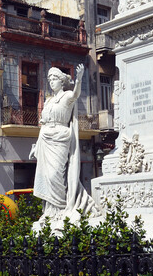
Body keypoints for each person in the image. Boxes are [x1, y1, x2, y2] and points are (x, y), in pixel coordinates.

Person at [30, 64, 101, 233]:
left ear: (62, 82)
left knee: (56, 174)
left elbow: (76, 94)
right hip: (46, 139)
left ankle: (61, 208)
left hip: (60, 137)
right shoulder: (48, 101)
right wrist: (36, 145)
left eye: (54, 79)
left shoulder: (67, 95)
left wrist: (80, 79)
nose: (51, 82)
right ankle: (50, 211)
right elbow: (43, 124)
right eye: (49, 80)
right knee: (46, 176)